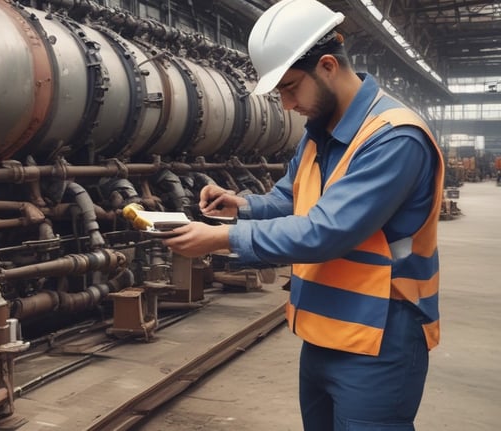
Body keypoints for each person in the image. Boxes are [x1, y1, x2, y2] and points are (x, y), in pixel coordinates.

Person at [164, 0, 445, 430]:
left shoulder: (394, 138)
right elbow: (293, 200)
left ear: (328, 66)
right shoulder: (321, 133)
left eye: (291, 88)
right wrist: (240, 205)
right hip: (321, 329)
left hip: (379, 336)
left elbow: (325, 231)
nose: (287, 104)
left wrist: (222, 240)